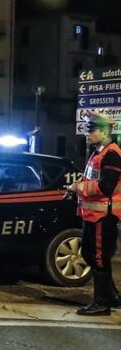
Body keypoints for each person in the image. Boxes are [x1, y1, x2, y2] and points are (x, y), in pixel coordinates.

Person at [69, 111, 121, 316]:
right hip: (92, 215)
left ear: (104, 131)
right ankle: (112, 296)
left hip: (103, 217)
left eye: (91, 130)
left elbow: (106, 187)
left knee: (99, 258)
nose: (87, 134)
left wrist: (80, 189)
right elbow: (91, 178)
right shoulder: (97, 152)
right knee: (89, 254)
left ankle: (101, 303)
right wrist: (77, 185)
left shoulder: (112, 154)